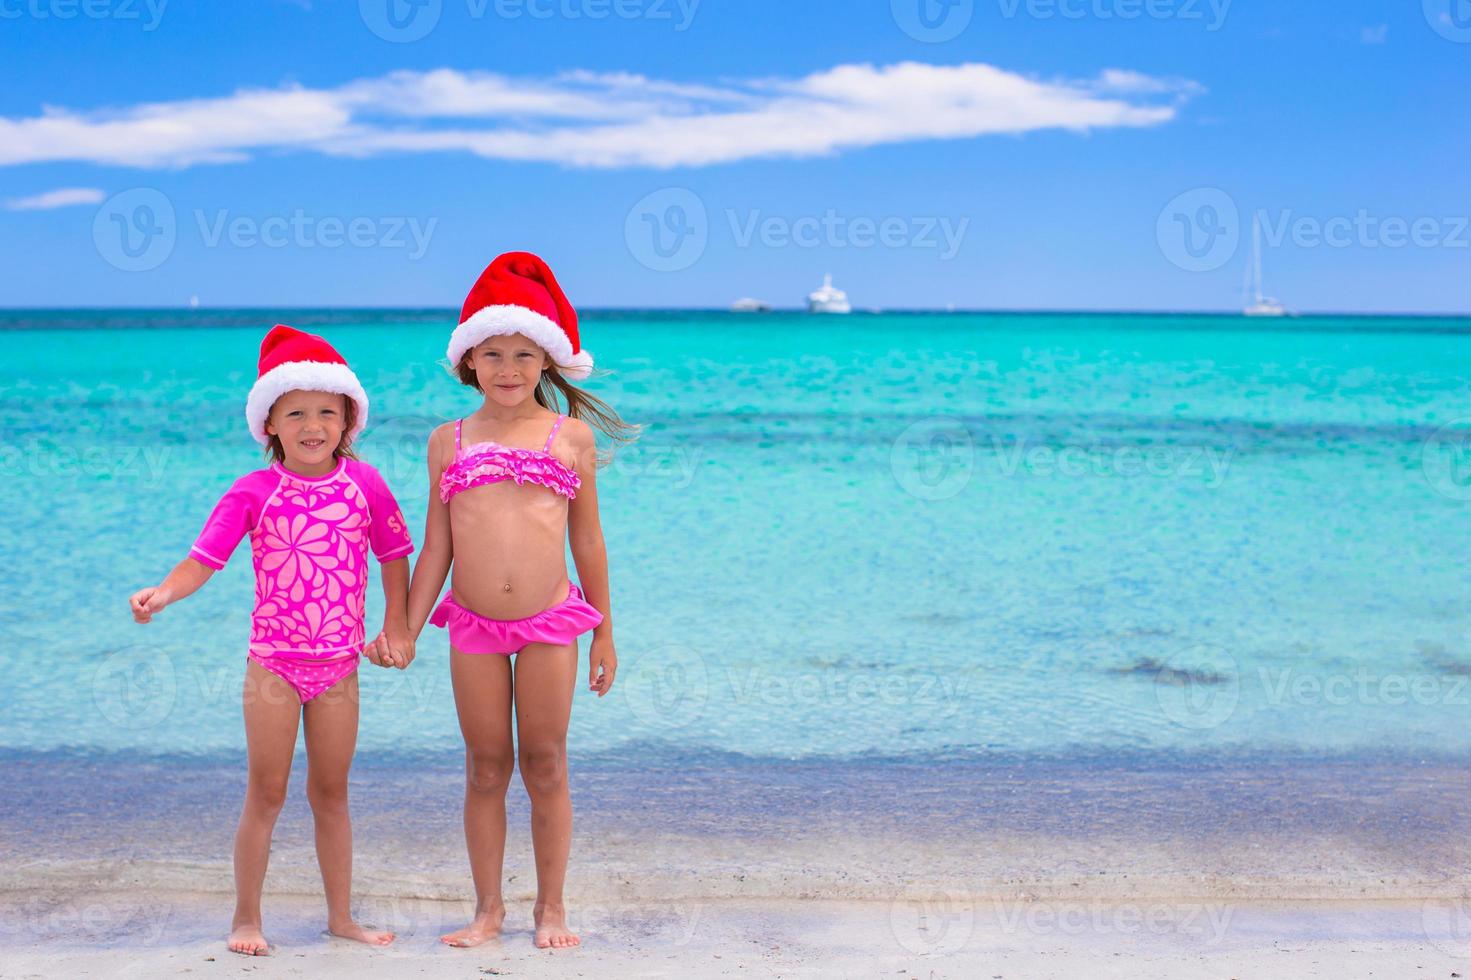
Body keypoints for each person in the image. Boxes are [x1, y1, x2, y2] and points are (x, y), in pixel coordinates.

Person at [128, 325, 414, 956]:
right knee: (267, 792)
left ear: (347, 421)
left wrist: (396, 628)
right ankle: (246, 919)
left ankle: (341, 916)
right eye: (295, 413)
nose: (312, 425)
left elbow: (396, 558)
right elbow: (202, 560)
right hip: (274, 668)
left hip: (339, 666)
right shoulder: (254, 491)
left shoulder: (365, 485)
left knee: (332, 793)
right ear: (270, 425)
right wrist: (164, 594)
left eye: (325, 413)